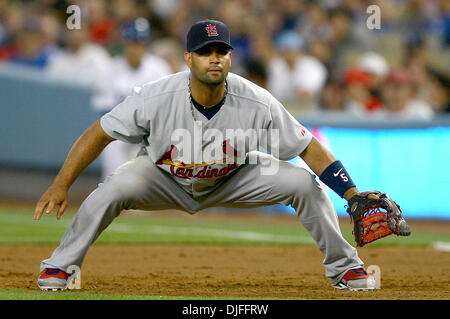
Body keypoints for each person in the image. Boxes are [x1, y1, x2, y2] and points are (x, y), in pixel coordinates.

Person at [36, 20, 383, 292]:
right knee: (112, 189)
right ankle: (60, 265)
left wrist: (350, 193)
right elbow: (99, 132)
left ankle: (345, 267)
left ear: (231, 57)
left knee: (304, 185)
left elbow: (308, 147)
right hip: (163, 177)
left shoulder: (256, 100)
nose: (214, 58)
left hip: (234, 177)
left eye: (221, 50)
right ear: (189, 59)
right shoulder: (156, 96)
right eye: (205, 51)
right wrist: (61, 183)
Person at [93, 18, 173, 179]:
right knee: (111, 145)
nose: (137, 48)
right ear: (125, 43)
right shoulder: (110, 70)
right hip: (121, 130)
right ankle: (112, 191)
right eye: (133, 42)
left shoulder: (159, 69)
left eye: (141, 42)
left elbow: (168, 107)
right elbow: (103, 109)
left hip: (151, 129)